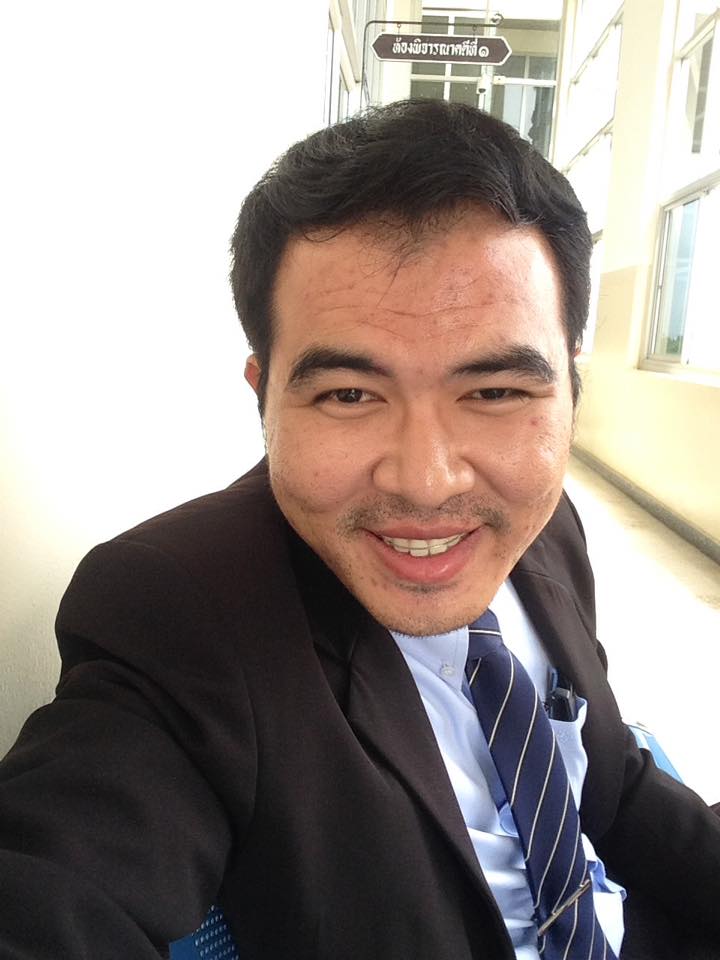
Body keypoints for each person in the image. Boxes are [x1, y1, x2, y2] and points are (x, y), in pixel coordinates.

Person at [0, 99, 718, 960]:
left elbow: (608, 777)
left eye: (495, 391)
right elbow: (57, 884)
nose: (427, 481)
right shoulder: (177, 611)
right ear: (264, 397)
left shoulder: (545, 521)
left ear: (570, 390)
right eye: (348, 394)